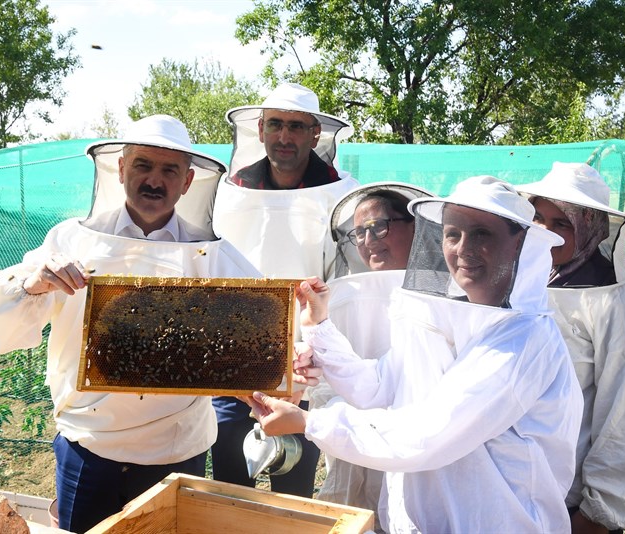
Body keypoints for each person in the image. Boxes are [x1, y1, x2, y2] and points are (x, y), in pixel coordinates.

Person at [0, 115, 262, 533]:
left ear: (187, 182)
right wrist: (34, 285)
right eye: (143, 165)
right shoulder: (71, 239)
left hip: (176, 446)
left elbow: (263, 334)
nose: (154, 181)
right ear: (122, 168)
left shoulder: (213, 256)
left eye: (169, 170)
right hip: (89, 444)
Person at [247, 176, 584, 533]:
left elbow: (430, 433)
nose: (463, 248)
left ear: (519, 243)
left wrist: (309, 423)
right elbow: (379, 388)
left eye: (482, 234)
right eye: (453, 234)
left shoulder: (523, 340)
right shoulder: (449, 318)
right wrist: (319, 325)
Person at [211, 82, 358, 498]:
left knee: (293, 491)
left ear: (315, 134)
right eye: (275, 124)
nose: (285, 136)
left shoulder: (344, 194)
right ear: (259, 130)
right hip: (231, 365)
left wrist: (315, 354)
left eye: (296, 127)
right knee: (229, 487)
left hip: (302, 368)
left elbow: (348, 283)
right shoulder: (229, 192)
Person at [516, 163, 625, 534]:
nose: (545, 232)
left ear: (590, 226)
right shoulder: (524, 282)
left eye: (563, 224)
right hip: (512, 485)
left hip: (568, 499)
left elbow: (623, 412)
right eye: (539, 218)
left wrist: (599, 512)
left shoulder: (613, 300)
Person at [313, 183, 431, 529]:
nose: (367, 240)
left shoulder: (447, 297)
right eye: (359, 232)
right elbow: (326, 376)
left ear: (416, 226)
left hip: (416, 443)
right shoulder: (344, 296)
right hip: (350, 441)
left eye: (379, 226)